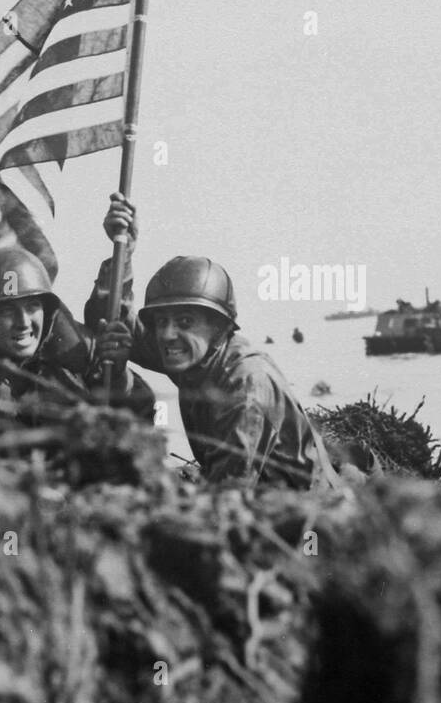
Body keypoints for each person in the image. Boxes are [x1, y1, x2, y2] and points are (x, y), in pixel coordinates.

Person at [86, 195, 339, 491]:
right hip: (265, 501)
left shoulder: (246, 384)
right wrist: (123, 251)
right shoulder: (194, 355)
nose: (167, 335)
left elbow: (227, 498)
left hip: (311, 518)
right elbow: (109, 318)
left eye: (184, 321)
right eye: (161, 321)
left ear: (218, 327)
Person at [0, 244, 156, 423]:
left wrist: (117, 378)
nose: (23, 322)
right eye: (6, 310)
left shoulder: (70, 368)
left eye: (32, 307)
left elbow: (142, 419)